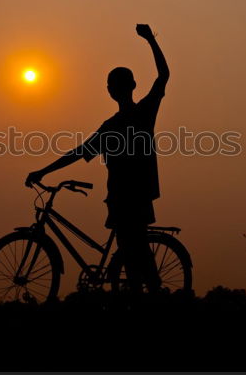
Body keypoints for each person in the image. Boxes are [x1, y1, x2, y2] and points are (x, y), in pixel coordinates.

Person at [25, 24, 170, 294]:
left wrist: (151, 40)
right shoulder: (117, 123)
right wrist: (43, 170)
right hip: (122, 196)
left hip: (132, 196)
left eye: (113, 85)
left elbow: (163, 76)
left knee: (134, 251)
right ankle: (149, 295)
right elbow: (79, 152)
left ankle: (153, 295)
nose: (112, 89)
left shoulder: (135, 116)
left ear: (114, 90)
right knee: (133, 252)